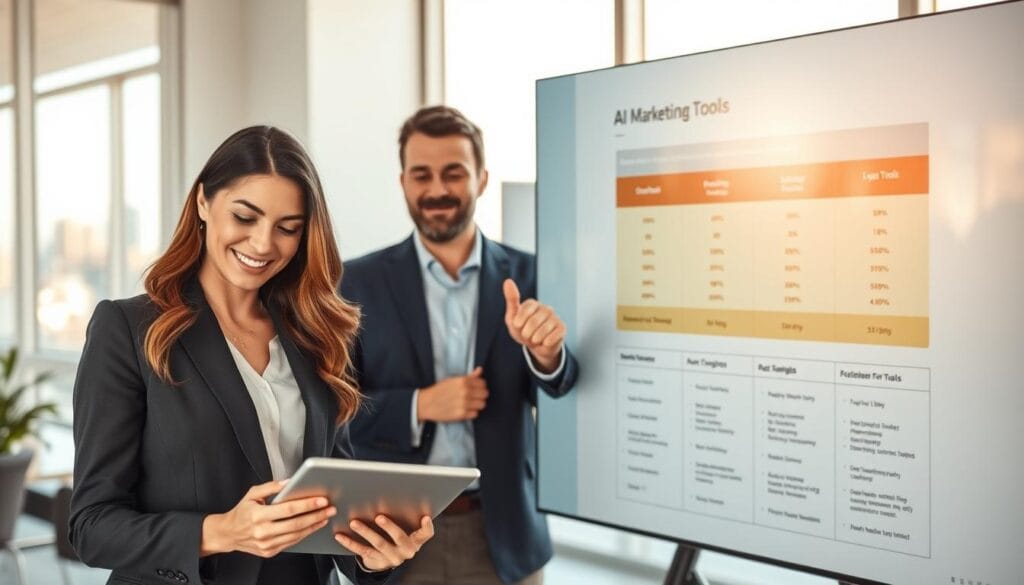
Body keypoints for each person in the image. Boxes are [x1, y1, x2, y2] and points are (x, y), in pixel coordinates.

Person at [70, 126, 433, 585]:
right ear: (203, 203)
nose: (263, 244)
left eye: (287, 228)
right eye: (245, 217)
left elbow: (331, 512)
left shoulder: (314, 336)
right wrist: (221, 531)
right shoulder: (128, 330)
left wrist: (373, 557)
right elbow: (91, 527)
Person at [339, 105, 579, 584]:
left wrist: (547, 355)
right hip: (396, 536)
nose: (437, 190)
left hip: (505, 536)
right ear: (403, 182)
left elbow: (566, 392)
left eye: (454, 173)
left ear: (482, 179)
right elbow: (334, 412)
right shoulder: (354, 283)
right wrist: (419, 405)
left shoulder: (533, 276)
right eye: (421, 174)